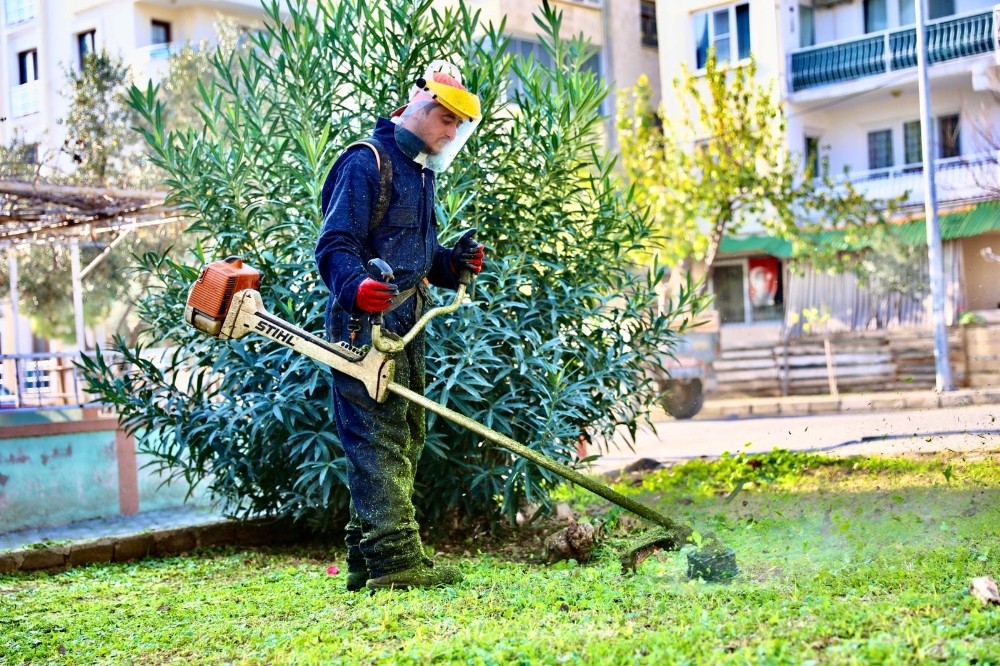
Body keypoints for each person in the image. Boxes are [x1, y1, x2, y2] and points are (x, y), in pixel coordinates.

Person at [314, 62, 485, 591]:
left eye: (459, 125)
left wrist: (452, 263)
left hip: (408, 323)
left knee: (406, 434)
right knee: (378, 436)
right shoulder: (365, 163)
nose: (452, 133)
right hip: (362, 328)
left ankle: (367, 557)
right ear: (420, 108)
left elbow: (420, 254)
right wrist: (355, 287)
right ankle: (396, 564)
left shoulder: (419, 170)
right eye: (447, 120)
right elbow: (335, 244)